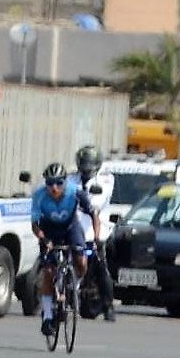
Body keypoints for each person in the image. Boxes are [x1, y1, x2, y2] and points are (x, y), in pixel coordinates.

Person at [32, 162, 101, 336]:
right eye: (49, 183)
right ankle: (48, 316)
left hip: (70, 228)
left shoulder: (75, 192)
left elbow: (94, 215)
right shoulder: (39, 196)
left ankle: (73, 287)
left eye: (59, 183)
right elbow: (34, 224)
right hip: (49, 231)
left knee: (81, 261)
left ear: (65, 182)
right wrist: (43, 238)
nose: (54, 188)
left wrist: (96, 239)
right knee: (49, 272)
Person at [73, 144, 116, 321]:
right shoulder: (71, 179)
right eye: (83, 163)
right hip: (74, 228)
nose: (86, 167)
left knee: (100, 265)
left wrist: (82, 200)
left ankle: (108, 306)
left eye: (89, 163)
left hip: (96, 231)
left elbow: (96, 203)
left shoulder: (105, 180)